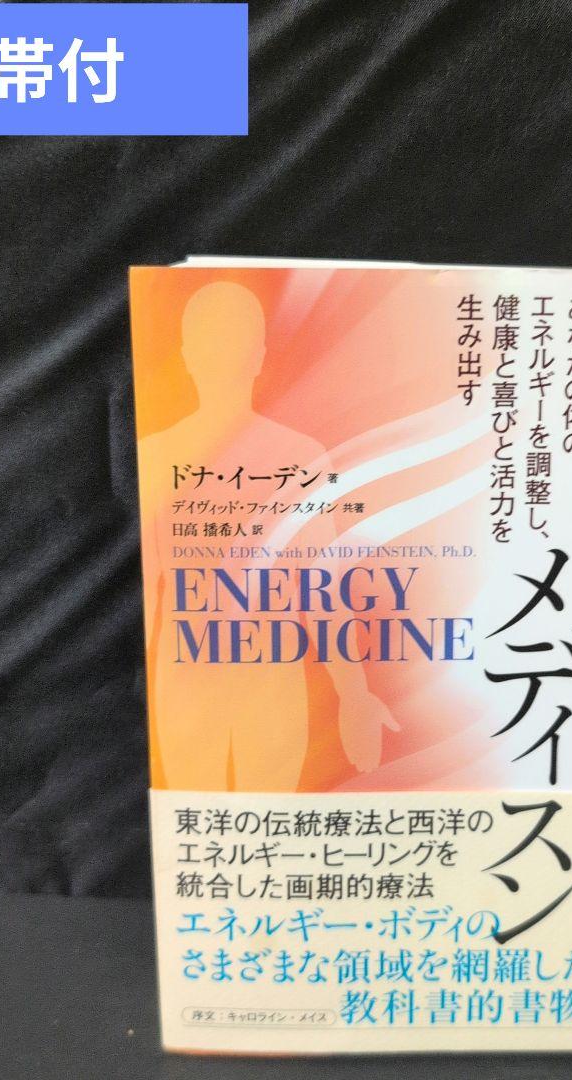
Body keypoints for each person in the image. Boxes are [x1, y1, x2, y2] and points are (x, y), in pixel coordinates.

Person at [138, 281, 395, 792]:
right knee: (248, 821)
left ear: (188, 357)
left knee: (213, 822)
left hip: (213, 679)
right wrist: (353, 697)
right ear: (257, 358)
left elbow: (321, 592)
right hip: (241, 680)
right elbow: (322, 594)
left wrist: (354, 697)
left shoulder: (161, 453)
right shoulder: (295, 456)